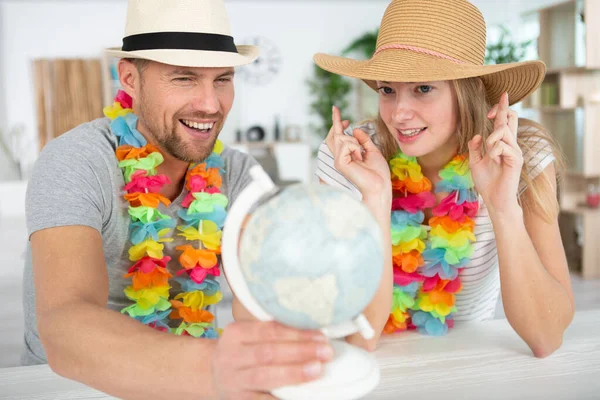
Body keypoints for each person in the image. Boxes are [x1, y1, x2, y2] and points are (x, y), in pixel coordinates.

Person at [22, 1, 333, 399]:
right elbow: (64, 324)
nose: (210, 104)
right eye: (184, 78)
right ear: (130, 79)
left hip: (199, 386)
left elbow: (266, 308)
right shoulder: (78, 160)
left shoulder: (239, 175)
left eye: (222, 79)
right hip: (69, 387)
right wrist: (212, 366)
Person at [313, 0, 574, 358]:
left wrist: (502, 206)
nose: (399, 114)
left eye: (423, 88)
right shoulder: (347, 158)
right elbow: (361, 338)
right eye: (387, 89)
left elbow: (547, 338)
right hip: (373, 367)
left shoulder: (523, 154)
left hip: (472, 362)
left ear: (468, 92)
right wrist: (375, 198)